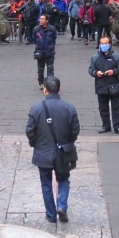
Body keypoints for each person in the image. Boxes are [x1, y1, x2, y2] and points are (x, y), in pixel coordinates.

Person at [24, 76, 80, 223]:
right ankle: (62, 205)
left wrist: (34, 143)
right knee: (63, 180)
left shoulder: (36, 108)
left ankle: (50, 214)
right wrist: (68, 143)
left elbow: (30, 130)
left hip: (43, 153)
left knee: (46, 183)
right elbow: (75, 130)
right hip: (63, 153)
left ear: (45, 90)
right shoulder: (69, 108)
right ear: (59, 89)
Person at [88, 36, 119, 135]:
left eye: (106, 43)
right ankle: (106, 125)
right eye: (102, 43)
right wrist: (96, 73)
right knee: (103, 107)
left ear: (110, 45)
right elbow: (90, 69)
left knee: (115, 107)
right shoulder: (95, 57)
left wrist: (114, 72)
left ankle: (117, 126)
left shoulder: (116, 56)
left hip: (114, 85)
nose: (103, 45)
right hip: (101, 85)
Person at [34, 14, 57, 86]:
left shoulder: (52, 29)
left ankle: (50, 84)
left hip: (49, 53)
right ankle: (41, 82)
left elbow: (54, 39)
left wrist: (52, 48)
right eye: (40, 19)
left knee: (50, 69)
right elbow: (35, 40)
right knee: (40, 70)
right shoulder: (36, 29)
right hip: (40, 53)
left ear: (47, 20)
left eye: (43, 19)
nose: (41, 20)